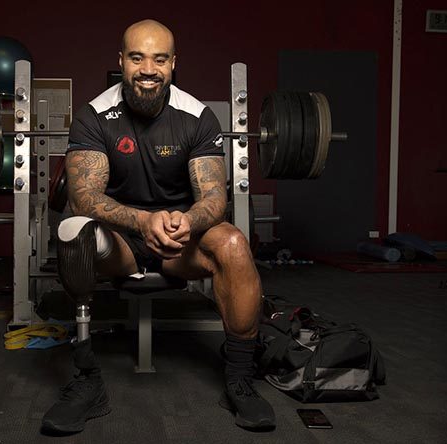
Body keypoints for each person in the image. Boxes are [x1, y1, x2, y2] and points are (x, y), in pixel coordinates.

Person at [41, 19, 275, 433]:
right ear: (121, 61)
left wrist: (186, 220)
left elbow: (214, 200)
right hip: (121, 242)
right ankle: (86, 379)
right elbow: (84, 197)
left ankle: (239, 377)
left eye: (159, 58)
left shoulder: (196, 116)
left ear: (173, 64)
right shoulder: (94, 116)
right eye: (137, 57)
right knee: (74, 233)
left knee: (235, 243)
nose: (148, 69)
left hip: (178, 242)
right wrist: (141, 220)